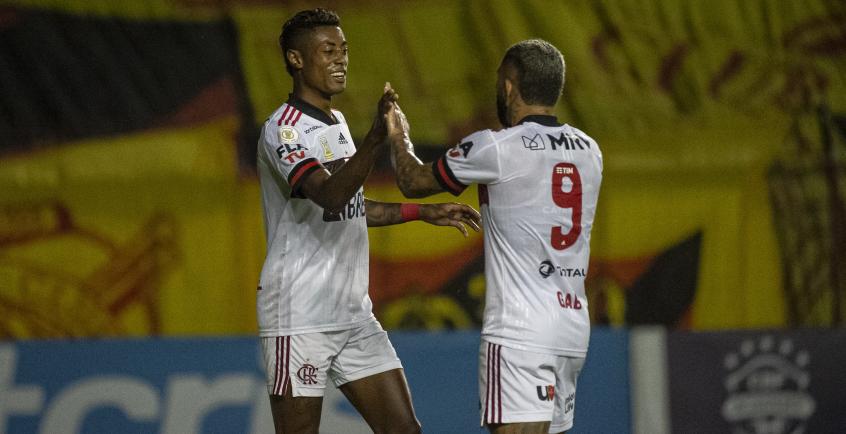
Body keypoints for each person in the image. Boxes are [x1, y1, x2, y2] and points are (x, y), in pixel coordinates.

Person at [256, 8, 482, 434]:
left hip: (353, 312)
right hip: (299, 314)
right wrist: (376, 139)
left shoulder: (336, 122)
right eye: (327, 50)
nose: (340, 59)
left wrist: (422, 212)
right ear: (296, 60)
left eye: (344, 49)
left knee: (404, 430)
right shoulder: (282, 131)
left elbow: (352, 206)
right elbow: (328, 196)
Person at [386, 39, 603, 434]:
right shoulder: (590, 150)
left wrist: (398, 136)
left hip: (521, 329)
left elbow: (412, 181)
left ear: (508, 85)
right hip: (571, 326)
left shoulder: (496, 147)